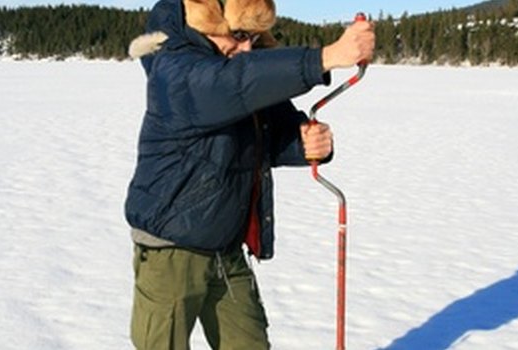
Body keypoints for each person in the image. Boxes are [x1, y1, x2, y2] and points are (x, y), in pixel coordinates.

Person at [124, 0, 375, 348]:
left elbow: (263, 138)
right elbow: (232, 86)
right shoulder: (175, 69)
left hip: (226, 248)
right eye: (238, 35)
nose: (245, 48)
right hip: (172, 250)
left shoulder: (232, 72)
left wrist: (306, 144)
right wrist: (325, 57)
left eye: (254, 39)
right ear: (207, 23)